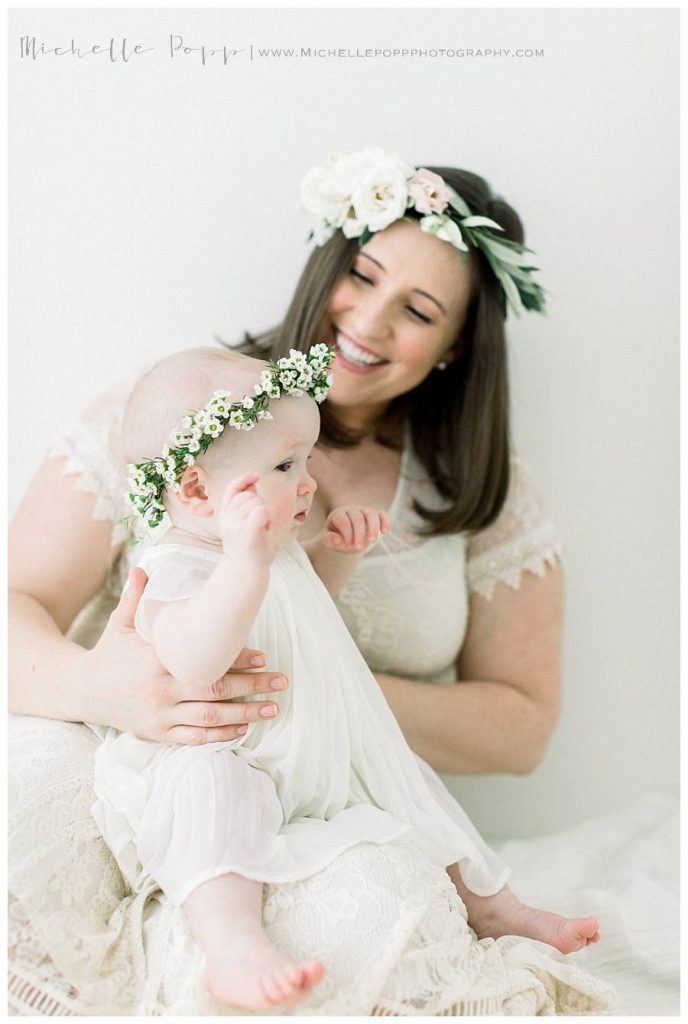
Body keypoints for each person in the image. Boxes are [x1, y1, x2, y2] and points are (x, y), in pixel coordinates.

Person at [8, 150, 599, 1015]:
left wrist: (332, 693)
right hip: (169, 756)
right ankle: (221, 940)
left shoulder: (474, 488)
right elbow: (16, 600)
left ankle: (493, 904)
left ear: (455, 346)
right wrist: (110, 685)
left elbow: (518, 726)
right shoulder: (183, 414)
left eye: (419, 310)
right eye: (361, 274)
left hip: (330, 777)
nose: (366, 318)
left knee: (398, 839)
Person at [91, 344, 599, 1012]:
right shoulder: (177, 564)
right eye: (282, 466)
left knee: (409, 778)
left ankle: (497, 904)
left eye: (304, 462)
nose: (306, 483)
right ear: (193, 490)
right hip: (222, 752)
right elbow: (194, 659)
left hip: (307, 748)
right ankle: (233, 945)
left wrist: (336, 555)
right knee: (211, 792)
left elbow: (301, 612)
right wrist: (244, 565)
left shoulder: (271, 549)